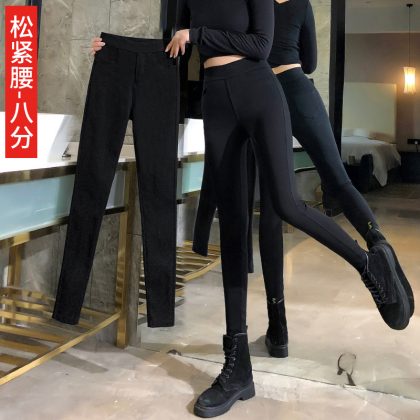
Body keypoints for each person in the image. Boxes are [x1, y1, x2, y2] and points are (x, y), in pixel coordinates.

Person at [93, 1, 411, 416]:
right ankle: (237, 366)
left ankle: (369, 265)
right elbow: (173, 45)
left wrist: (198, 35)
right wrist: (114, 53)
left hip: (258, 92)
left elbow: (261, 44)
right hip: (215, 100)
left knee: (287, 203)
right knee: (233, 228)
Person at [191, 0, 415, 362]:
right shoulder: (300, 4)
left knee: (274, 212)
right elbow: (309, 62)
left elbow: (246, 42)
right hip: (287, 87)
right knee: (333, 180)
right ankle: (378, 244)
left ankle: (279, 327)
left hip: (259, 87)